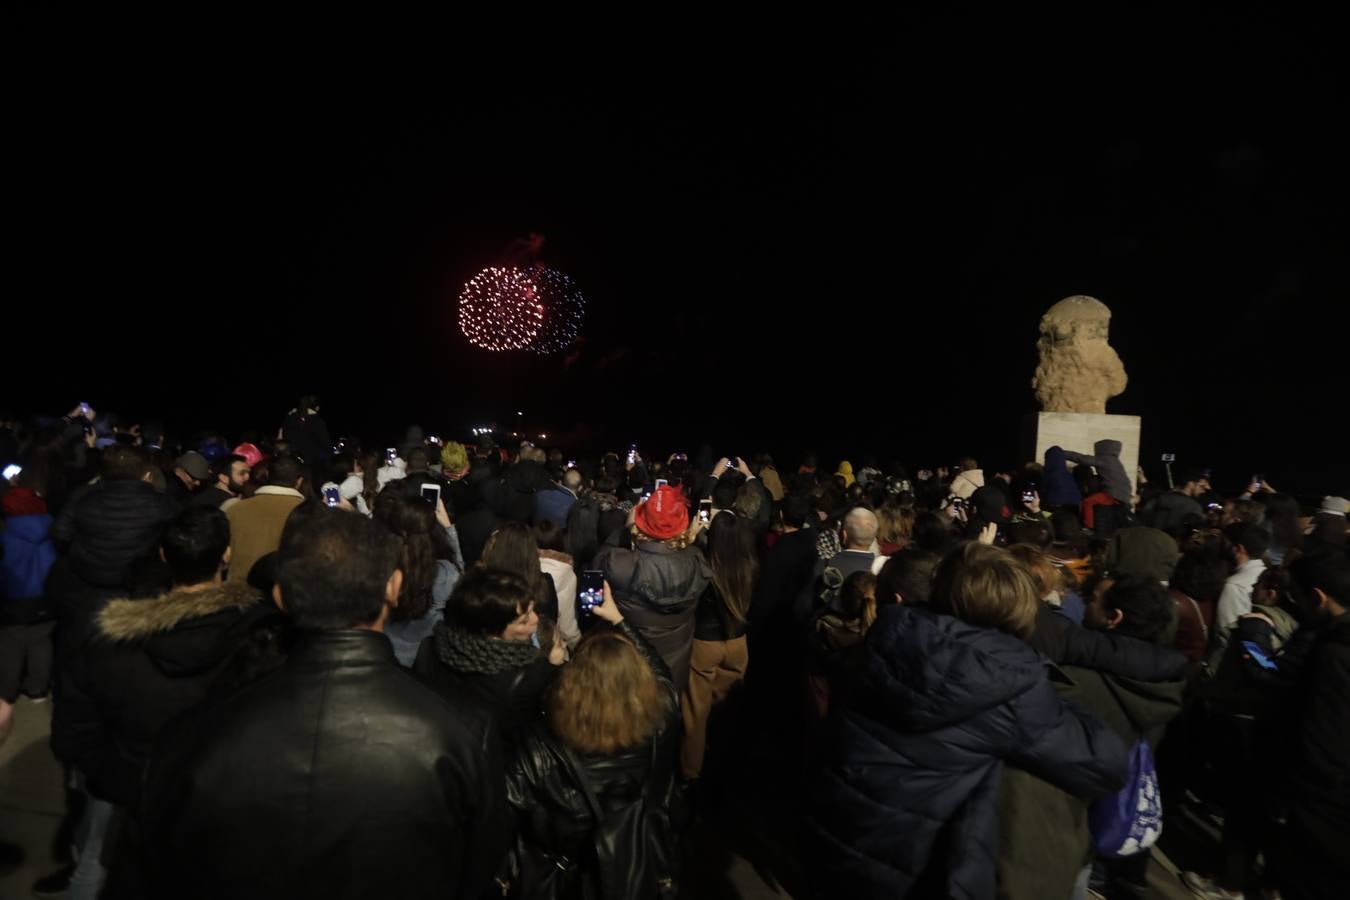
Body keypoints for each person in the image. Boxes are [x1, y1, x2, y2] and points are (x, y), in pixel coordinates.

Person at [142, 509, 510, 900]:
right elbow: (477, 870)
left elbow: (152, 874)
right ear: (394, 587)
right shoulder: (464, 730)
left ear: (281, 595)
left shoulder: (192, 735)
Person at [808, 543, 1129, 899]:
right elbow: (1107, 764)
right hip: (921, 870)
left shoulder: (884, 635)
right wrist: (1067, 701)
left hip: (843, 840)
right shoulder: (1010, 685)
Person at [76, 507, 272, 896]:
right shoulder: (256, 634)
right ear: (226, 555)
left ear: (165, 556)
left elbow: (83, 723)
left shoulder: (117, 641)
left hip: (137, 790)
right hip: (220, 798)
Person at [506, 582, 680, 900]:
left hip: (564, 879)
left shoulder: (541, 745)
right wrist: (619, 620)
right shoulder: (661, 722)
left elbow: (508, 817)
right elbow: (662, 673)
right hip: (636, 869)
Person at [413, 566, 560, 753]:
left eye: (532, 610)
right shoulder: (530, 676)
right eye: (524, 620)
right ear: (492, 631)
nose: (536, 619)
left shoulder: (430, 648)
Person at [594, 485, 712, 693]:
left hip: (631, 662)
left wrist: (625, 528)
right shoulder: (697, 561)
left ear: (640, 523)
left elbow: (597, 564)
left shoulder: (620, 564)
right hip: (675, 668)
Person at [681, 511, 756, 782]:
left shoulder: (703, 566)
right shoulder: (749, 566)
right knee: (726, 707)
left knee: (695, 713)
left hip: (705, 644)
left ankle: (692, 772)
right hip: (738, 643)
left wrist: (691, 537)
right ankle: (724, 763)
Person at [374, 490, 461, 667]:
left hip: (384, 652)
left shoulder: (380, 564)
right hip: (423, 660)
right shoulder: (445, 574)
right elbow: (462, 584)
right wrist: (449, 529)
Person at [224, 455, 305, 586]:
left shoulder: (235, 509)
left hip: (238, 593)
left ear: (267, 474)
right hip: (287, 594)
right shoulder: (309, 513)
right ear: (300, 481)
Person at [1215, 522, 1269, 632]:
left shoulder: (1234, 587)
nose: (1219, 547)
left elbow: (1226, 634)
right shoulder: (1265, 574)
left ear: (1238, 549)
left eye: (1223, 543)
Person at [535, 520, 580, 649]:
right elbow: (566, 623)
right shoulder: (565, 572)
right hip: (550, 643)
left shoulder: (524, 565)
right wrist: (578, 645)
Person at [1060, 440, 1131, 505]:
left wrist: (1061, 453)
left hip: (1113, 494)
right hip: (1125, 496)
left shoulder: (1105, 459)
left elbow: (1082, 459)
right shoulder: (1116, 461)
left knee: (1087, 503)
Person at [1142, 468, 1209, 534]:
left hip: (1153, 537)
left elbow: (1145, 516)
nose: (1203, 491)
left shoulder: (1161, 497)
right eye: (1201, 486)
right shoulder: (1194, 507)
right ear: (1190, 484)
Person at [279, 394, 332, 471]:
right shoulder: (317, 421)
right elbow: (325, 443)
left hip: (291, 460)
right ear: (317, 407)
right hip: (310, 463)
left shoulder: (289, 417)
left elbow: (284, 435)